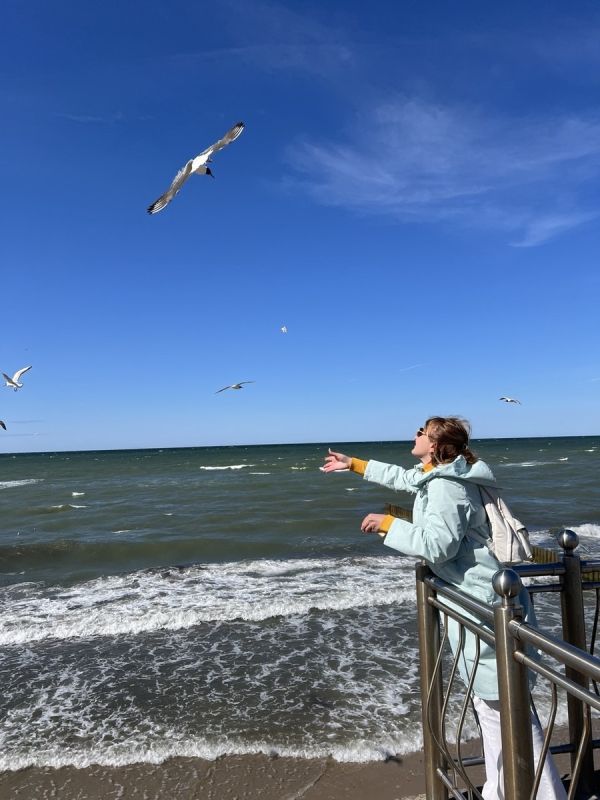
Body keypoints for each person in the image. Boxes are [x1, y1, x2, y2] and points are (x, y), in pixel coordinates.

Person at [322, 416, 565, 800]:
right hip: (484, 602)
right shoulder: (441, 477)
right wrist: (354, 464)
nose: (415, 435)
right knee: (495, 711)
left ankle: (545, 794)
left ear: (436, 446)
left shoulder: (448, 487)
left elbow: (438, 547)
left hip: (486, 606)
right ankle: (501, 792)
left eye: (422, 431)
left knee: (507, 711)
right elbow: (405, 479)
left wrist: (389, 523)